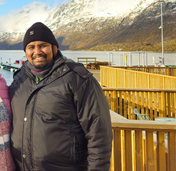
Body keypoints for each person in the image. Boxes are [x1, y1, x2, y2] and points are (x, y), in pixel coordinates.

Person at [8, 22, 112, 171]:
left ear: (54, 48)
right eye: (31, 47)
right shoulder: (19, 80)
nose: (37, 51)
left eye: (42, 45)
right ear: (25, 51)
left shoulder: (77, 79)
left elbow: (99, 133)